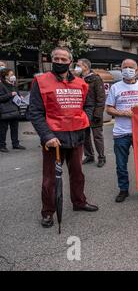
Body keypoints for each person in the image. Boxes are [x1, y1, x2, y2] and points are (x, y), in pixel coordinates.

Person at [28, 47, 99, 228]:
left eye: (63, 59)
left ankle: (79, 202)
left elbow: (89, 105)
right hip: (54, 140)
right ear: (52, 60)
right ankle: (48, 212)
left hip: (76, 137)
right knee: (50, 179)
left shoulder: (81, 83)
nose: (59, 62)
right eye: (56, 59)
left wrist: (85, 122)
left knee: (78, 174)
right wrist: (47, 135)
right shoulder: (41, 81)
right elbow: (35, 112)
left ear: (70, 61)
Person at [106, 59, 138, 203]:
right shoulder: (115, 87)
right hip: (121, 132)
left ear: (137, 70)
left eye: (131, 67)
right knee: (121, 165)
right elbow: (109, 108)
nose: (127, 69)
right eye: (124, 67)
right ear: (121, 69)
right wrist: (123, 113)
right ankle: (123, 190)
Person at [76, 59, 106, 168]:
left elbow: (101, 98)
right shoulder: (78, 79)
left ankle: (101, 157)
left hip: (94, 111)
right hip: (82, 112)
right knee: (85, 135)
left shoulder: (96, 79)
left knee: (97, 136)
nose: (76, 67)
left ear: (85, 67)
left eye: (78, 65)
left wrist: (98, 114)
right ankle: (89, 155)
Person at [0, 68, 26, 152]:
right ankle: (2, 145)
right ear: (6, 76)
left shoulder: (13, 85)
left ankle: (15, 144)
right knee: (3, 129)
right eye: (11, 75)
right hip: (5, 111)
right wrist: (10, 94)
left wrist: (20, 96)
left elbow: (16, 94)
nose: (13, 76)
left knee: (15, 128)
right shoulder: (1, 85)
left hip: (15, 110)